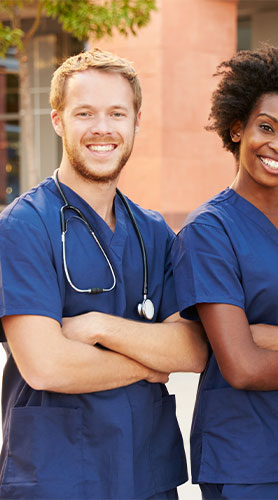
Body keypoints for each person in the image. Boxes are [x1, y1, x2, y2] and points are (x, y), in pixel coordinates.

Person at [0, 48, 209, 499]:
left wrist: (96, 326)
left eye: (117, 113)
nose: (102, 128)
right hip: (57, 475)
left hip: (145, 472)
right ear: (58, 119)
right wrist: (147, 361)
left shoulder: (154, 231)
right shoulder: (23, 225)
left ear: (136, 121)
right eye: (85, 113)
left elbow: (191, 350)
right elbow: (46, 365)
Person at [170, 43, 278, 499]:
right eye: (266, 127)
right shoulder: (209, 231)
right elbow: (243, 368)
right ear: (237, 128)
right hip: (246, 461)